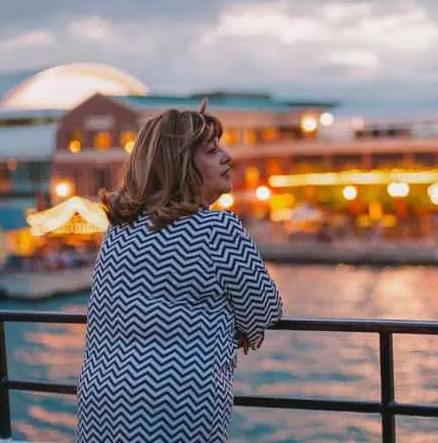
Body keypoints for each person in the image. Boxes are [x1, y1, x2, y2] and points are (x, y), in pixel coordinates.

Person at [76, 99, 283, 442]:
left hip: (103, 402)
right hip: (177, 406)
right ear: (181, 164)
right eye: (212, 151)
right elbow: (265, 311)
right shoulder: (217, 229)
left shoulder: (118, 231)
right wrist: (236, 325)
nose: (227, 157)